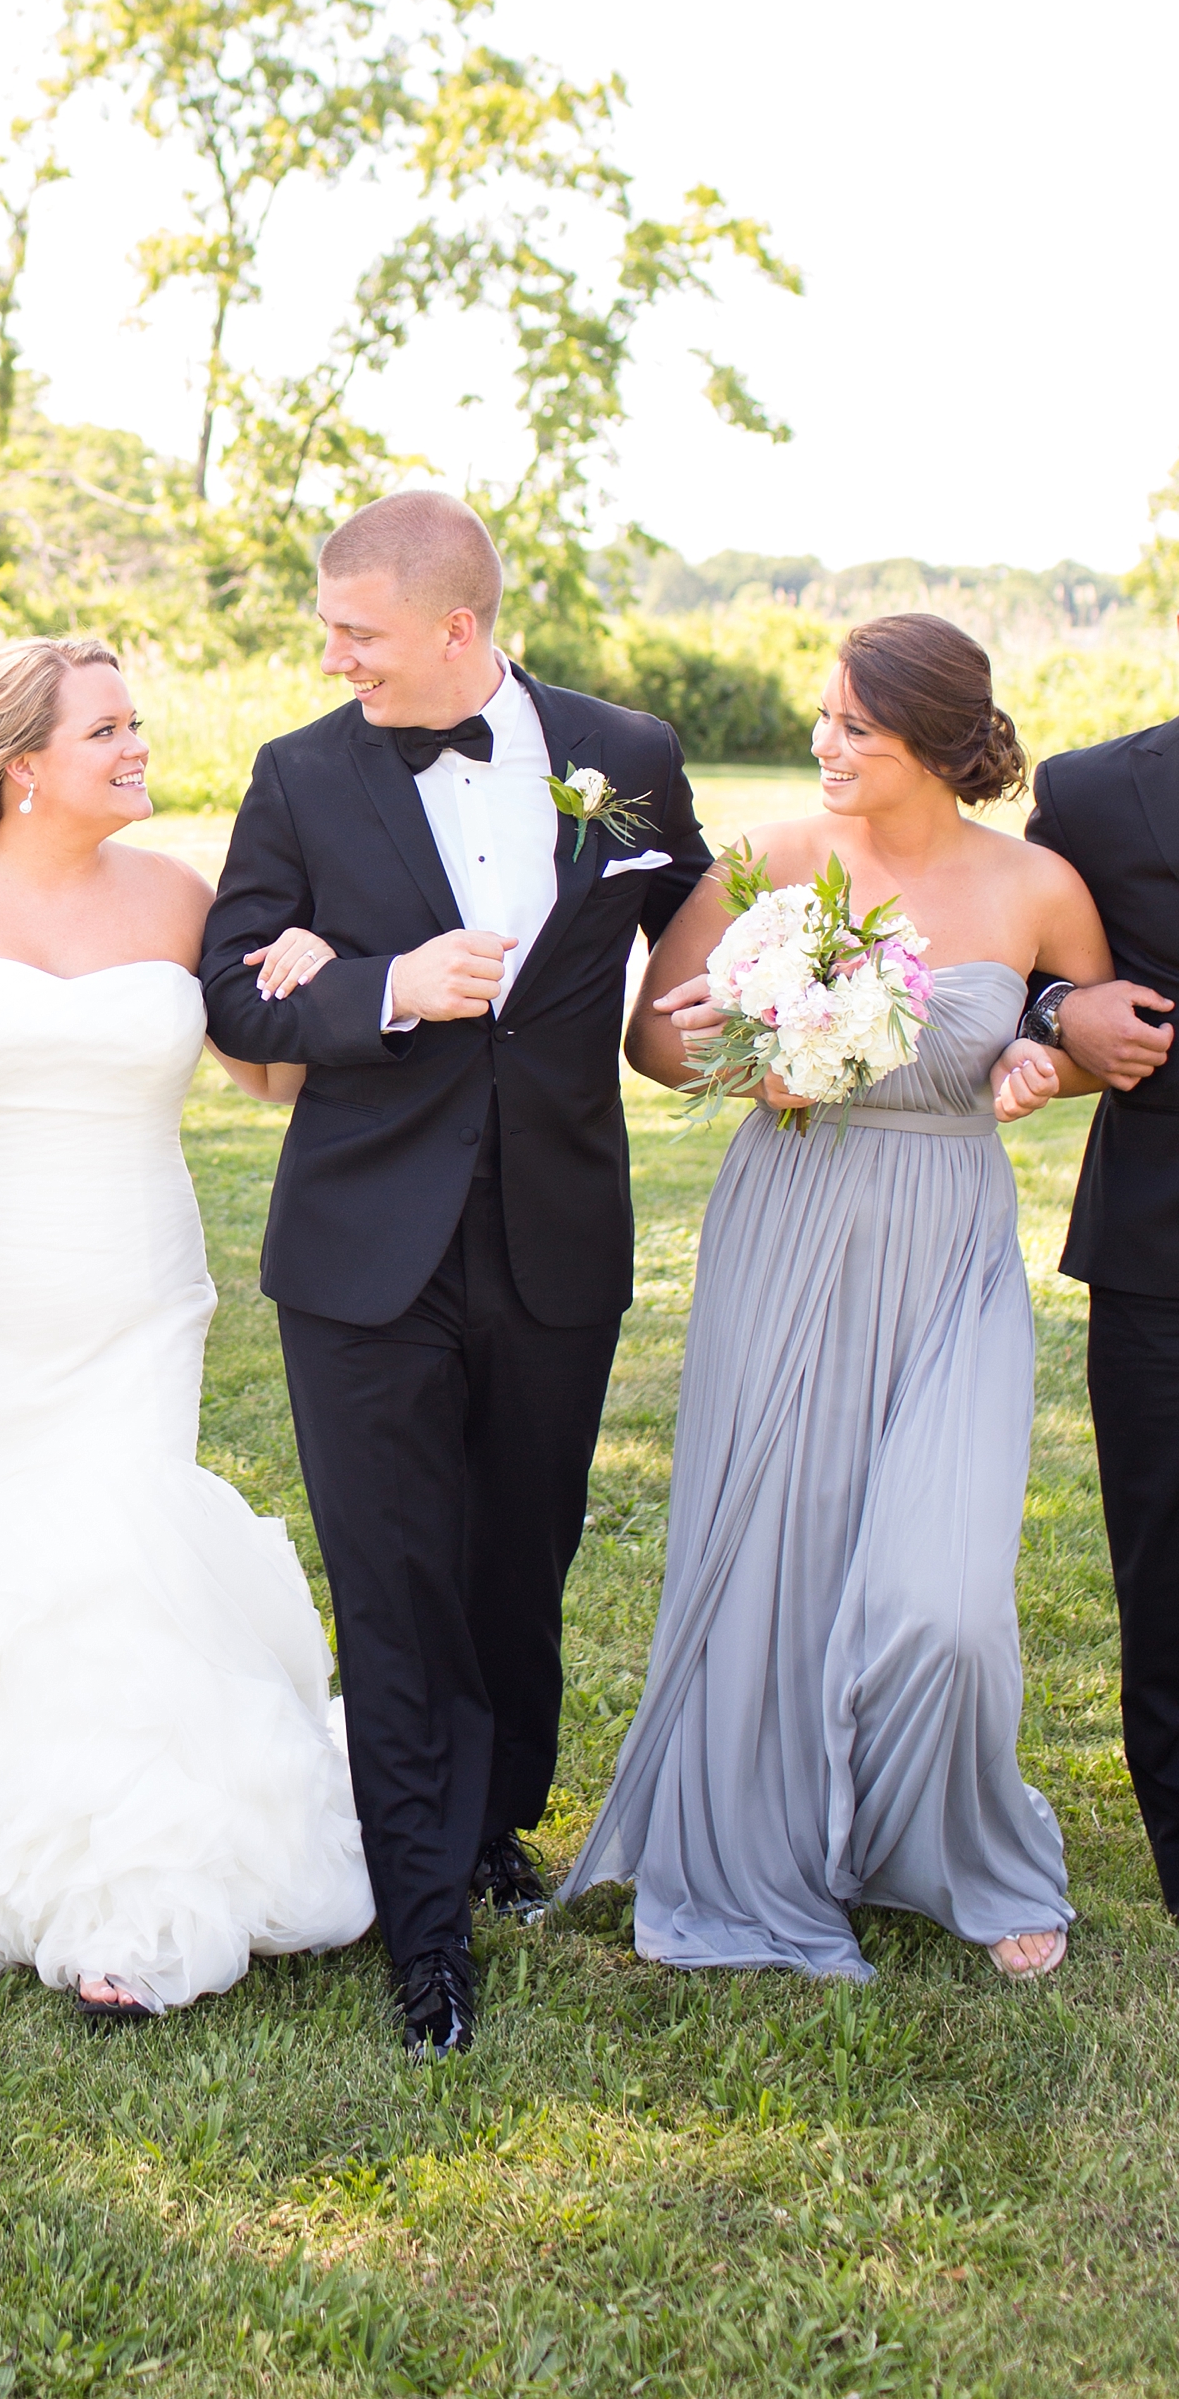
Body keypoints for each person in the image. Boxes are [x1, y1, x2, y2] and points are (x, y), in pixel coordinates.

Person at [0, 636, 373, 2024]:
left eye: (134, 723)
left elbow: (269, 1078)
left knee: (117, 1538)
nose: (136, 746)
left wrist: (305, 969)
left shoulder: (177, 895)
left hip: (127, 1279)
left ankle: (134, 1884)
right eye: (108, 730)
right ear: (24, 763)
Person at [198, 490, 714, 2059]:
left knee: (517, 1560)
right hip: (362, 1249)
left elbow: (680, 896)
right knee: (396, 1581)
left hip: (558, 1231)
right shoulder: (300, 773)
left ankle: (492, 1825)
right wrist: (380, 990)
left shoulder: (628, 755)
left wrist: (678, 1021)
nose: (337, 659)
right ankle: (423, 1937)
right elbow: (232, 990)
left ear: (459, 628)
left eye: (359, 634)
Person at [560, 612, 1111, 1981]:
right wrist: (726, 1050)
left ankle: (963, 1849)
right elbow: (655, 1040)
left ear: (934, 741)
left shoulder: (1039, 886)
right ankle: (773, 1838)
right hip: (792, 1216)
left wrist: (1045, 1060)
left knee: (949, 1597)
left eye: (854, 725)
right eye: (823, 717)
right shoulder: (776, 860)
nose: (823, 743)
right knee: (777, 1549)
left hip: (951, 1245)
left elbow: (1084, 1030)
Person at [1020, 631, 1179, 1920]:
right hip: (1162, 1247)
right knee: (1166, 1558)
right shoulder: (1091, 794)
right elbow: (1005, 971)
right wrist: (1057, 1020)